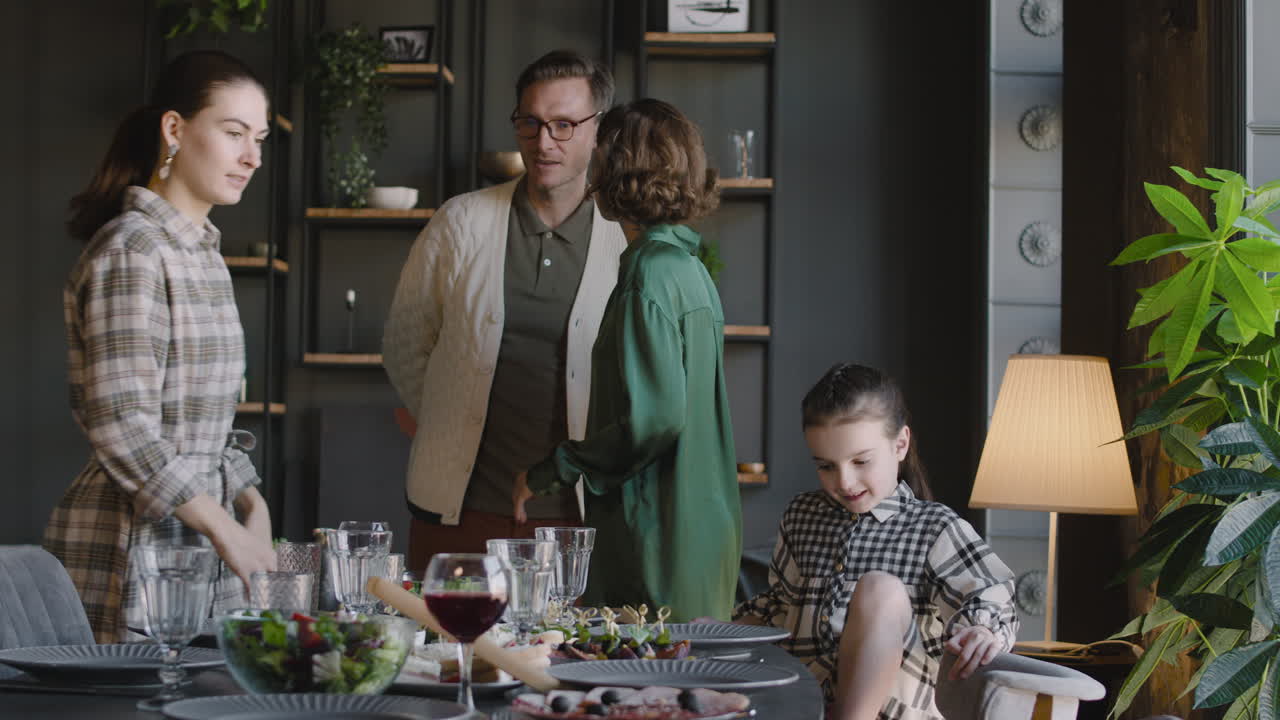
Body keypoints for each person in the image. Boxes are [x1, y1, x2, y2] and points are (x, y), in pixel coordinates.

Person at [44, 50, 278, 643]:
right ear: (175, 130)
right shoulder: (133, 250)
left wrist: (252, 504)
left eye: (259, 138)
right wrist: (227, 531)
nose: (252, 156)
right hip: (135, 546)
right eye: (234, 133)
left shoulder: (203, 255)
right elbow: (125, 426)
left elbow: (205, 427)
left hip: (203, 543)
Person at [383, 50, 626, 575]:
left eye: (563, 125)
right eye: (530, 123)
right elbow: (405, 343)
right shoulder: (460, 221)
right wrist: (451, 419)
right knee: (448, 656)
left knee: (566, 657)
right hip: (457, 512)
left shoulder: (626, 237)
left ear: (599, 129)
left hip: (576, 521)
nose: (543, 143)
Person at [513, 98, 742, 622]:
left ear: (612, 174)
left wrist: (557, 466)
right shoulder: (687, 270)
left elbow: (654, 420)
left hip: (659, 539)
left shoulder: (650, 276)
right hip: (700, 535)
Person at [733, 363, 1018, 720]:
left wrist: (981, 629)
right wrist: (713, 632)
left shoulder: (934, 527)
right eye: (825, 466)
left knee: (879, 589)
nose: (845, 481)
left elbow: (992, 590)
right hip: (806, 705)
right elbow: (777, 606)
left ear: (900, 444)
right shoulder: (802, 515)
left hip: (897, 710)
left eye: (861, 461)